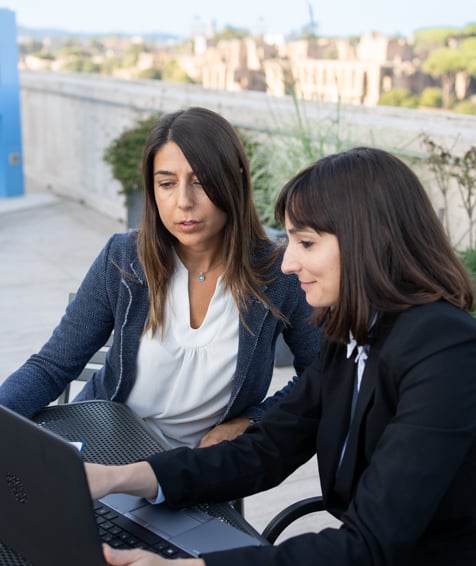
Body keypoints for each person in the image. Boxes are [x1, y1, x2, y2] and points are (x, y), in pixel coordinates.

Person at [86, 146, 476, 565]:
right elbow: (267, 447)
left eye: (306, 242)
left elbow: (370, 545)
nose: (288, 263)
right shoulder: (354, 332)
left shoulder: (447, 353)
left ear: (371, 241)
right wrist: (118, 478)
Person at [0, 106, 320, 449]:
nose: (184, 202)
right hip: (99, 449)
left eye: (201, 182)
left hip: (193, 472)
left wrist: (253, 419)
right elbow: (51, 367)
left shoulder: (280, 271)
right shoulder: (123, 258)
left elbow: (320, 377)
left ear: (236, 179)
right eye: (166, 183)